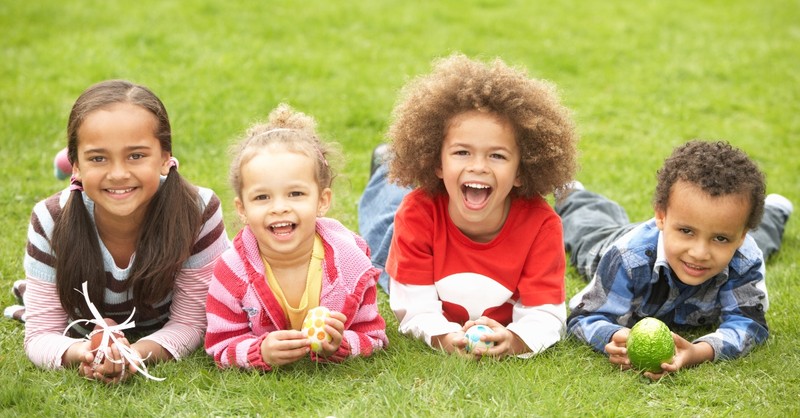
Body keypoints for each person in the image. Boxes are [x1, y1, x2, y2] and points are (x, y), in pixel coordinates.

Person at [358, 54, 579, 358]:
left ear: (520, 171)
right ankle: (386, 164)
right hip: (412, 235)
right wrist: (445, 337)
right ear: (435, 161)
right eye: (462, 152)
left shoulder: (542, 226)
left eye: (497, 156)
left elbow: (546, 314)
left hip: (439, 231)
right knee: (383, 223)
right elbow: (414, 308)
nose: (478, 166)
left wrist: (514, 340)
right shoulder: (416, 214)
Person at [10, 80, 230, 384]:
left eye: (136, 155)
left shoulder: (198, 209)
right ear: (76, 166)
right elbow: (41, 334)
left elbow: (191, 322)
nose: (118, 174)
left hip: (158, 322)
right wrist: (85, 352)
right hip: (86, 327)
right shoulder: (50, 218)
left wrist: (134, 354)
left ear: (166, 158)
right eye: (98, 158)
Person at [559, 140, 793, 380]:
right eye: (687, 231)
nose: (700, 253)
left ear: (741, 237)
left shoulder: (743, 258)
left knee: (761, 240)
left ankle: (773, 212)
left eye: (720, 238)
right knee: (588, 229)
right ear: (661, 215)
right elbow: (584, 316)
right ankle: (573, 194)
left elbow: (749, 324)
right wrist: (613, 337)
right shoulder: (627, 257)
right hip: (617, 243)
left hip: (705, 239)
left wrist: (699, 352)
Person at [205, 104, 388, 371]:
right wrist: (259, 352)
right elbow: (221, 345)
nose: (279, 207)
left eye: (295, 194)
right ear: (242, 209)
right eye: (262, 197)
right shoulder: (232, 272)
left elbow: (373, 336)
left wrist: (343, 344)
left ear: (322, 201)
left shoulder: (351, 262)